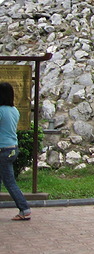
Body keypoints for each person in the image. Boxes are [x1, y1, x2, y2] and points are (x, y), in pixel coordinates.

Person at [0, 82, 31, 221]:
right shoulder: (14, 110)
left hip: (2, 150)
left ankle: (24, 209)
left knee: (9, 182)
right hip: (12, 148)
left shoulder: (0, 111)